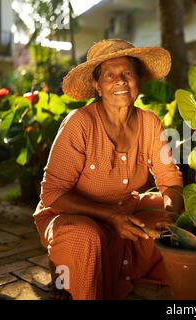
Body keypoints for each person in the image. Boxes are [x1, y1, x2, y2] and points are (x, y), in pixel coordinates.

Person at [32, 39, 184, 300]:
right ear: (97, 85)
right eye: (110, 75)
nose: (121, 81)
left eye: (127, 74)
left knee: (180, 213)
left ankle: (106, 268)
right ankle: (66, 272)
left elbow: (170, 180)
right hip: (74, 217)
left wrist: (171, 215)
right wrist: (110, 215)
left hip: (124, 211)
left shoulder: (149, 123)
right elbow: (53, 195)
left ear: (138, 80)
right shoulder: (79, 124)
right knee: (85, 237)